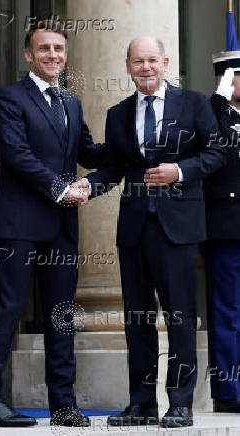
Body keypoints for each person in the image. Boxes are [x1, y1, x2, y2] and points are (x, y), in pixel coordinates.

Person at [82, 36, 225, 428]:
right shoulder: (117, 113)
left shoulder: (194, 103)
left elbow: (216, 153)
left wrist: (178, 171)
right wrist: (87, 187)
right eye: (137, 61)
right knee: (137, 319)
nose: (145, 68)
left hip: (177, 228)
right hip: (133, 229)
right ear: (128, 65)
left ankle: (179, 402)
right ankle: (142, 403)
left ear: (165, 62)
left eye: (152, 61)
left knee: (180, 318)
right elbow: (113, 168)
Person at [0, 22, 106, 428]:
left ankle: (63, 405)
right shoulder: (8, 98)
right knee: (6, 311)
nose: (53, 55)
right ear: (29, 55)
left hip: (61, 228)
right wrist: (61, 188)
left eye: (59, 49)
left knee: (60, 314)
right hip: (18, 224)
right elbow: (16, 155)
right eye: (44, 49)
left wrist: (130, 142)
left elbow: (89, 151)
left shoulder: (71, 101)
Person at [204, 52, 240, 413]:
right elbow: (205, 139)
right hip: (228, 231)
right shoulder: (214, 115)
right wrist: (219, 98)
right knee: (228, 311)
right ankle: (229, 391)